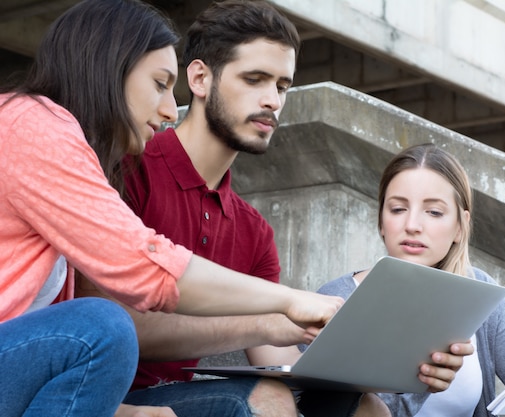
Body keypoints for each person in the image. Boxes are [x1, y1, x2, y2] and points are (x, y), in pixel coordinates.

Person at [75, 2, 472, 417]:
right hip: (102, 395)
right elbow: (117, 327)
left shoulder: (254, 231)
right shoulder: (125, 171)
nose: (272, 101)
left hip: (185, 394)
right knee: (266, 398)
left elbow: (278, 354)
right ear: (199, 78)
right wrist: (268, 319)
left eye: (282, 86)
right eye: (255, 79)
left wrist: (409, 368)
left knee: (366, 407)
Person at [0, 0, 343, 416]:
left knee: (315, 401)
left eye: (283, 87)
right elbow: (141, 270)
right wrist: (286, 303)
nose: (167, 109)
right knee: (101, 327)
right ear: (110, 68)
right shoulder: (35, 128)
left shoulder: (254, 229)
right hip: (80, 364)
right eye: (160, 84)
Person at [314, 143, 505, 417]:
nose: (412, 225)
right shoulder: (335, 300)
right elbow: (318, 408)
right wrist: (418, 378)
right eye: (398, 209)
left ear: (460, 227)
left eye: (434, 212)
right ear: (381, 221)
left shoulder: (480, 294)